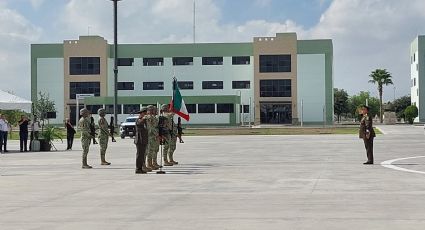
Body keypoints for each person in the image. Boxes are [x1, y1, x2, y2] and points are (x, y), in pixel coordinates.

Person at [134, 107, 149, 174]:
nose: (146, 114)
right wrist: (144, 118)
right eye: (145, 113)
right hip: (139, 140)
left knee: (142, 155)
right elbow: (140, 123)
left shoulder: (144, 120)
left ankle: (141, 168)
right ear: (142, 113)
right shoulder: (139, 119)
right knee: (139, 155)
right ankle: (138, 169)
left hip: (144, 140)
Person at [145, 105, 160, 170]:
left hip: (154, 136)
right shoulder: (148, 117)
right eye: (153, 109)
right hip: (150, 136)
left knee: (154, 150)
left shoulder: (153, 117)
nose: (155, 111)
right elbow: (150, 127)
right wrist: (156, 134)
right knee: (150, 151)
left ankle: (153, 163)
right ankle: (149, 164)